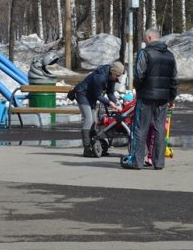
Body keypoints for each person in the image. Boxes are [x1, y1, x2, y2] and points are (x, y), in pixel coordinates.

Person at [122, 28, 178, 170]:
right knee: (160, 129)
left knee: (141, 128)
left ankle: (137, 162)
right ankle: (159, 162)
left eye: (145, 38)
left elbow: (139, 74)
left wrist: (139, 90)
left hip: (146, 96)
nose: (144, 41)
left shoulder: (145, 53)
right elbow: (174, 79)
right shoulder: (170, 56)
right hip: (163, 98)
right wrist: (171, 97)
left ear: (149, 37)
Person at [74, 61, 124, 157]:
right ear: (113, 72)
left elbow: (110, 93)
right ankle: (87, 148)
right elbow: (98, 95)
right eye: (117, 75)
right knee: (89, 119)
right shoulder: (100, 77)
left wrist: (117, 103)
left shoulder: (112, 78)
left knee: (94, 121)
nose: (118, 78)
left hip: (91, 97)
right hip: (82, 94)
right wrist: (110, 103)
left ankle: (95, 146)